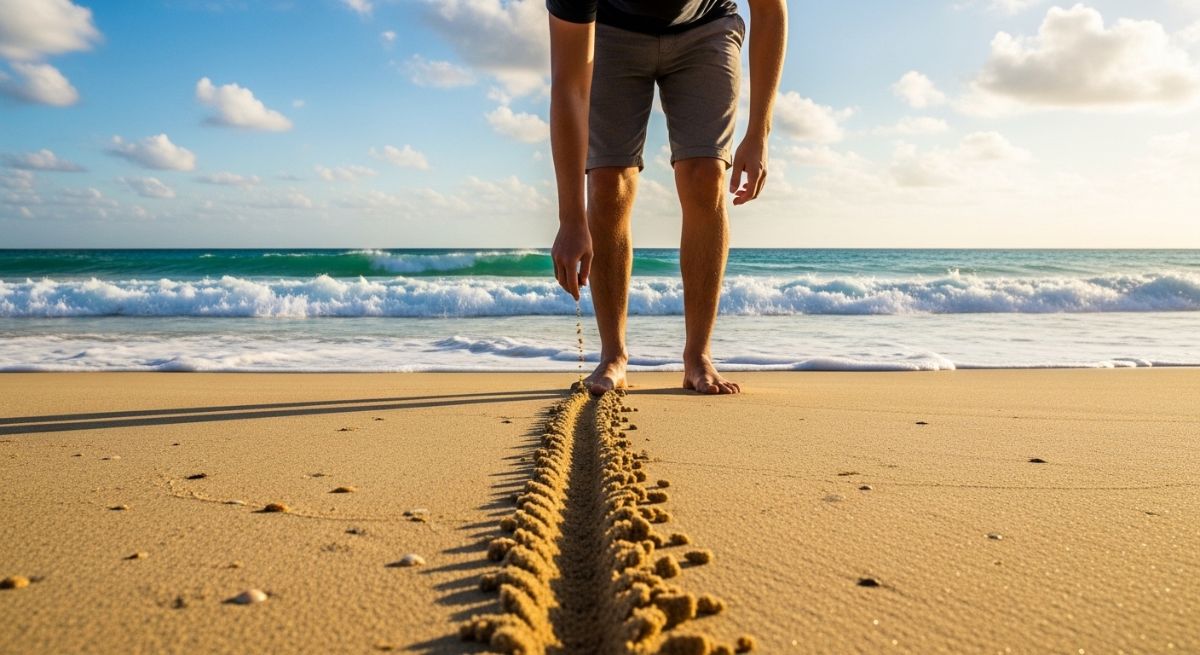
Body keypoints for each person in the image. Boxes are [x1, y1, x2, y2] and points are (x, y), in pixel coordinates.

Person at [547, 0, 787, 395]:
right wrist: (571, 218)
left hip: (707, 26)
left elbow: (770, 10)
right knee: (608, 183)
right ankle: (613, 356)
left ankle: (698, 356)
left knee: (705, 176)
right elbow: (570, 87)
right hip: (610, 31)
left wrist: (759, 132)